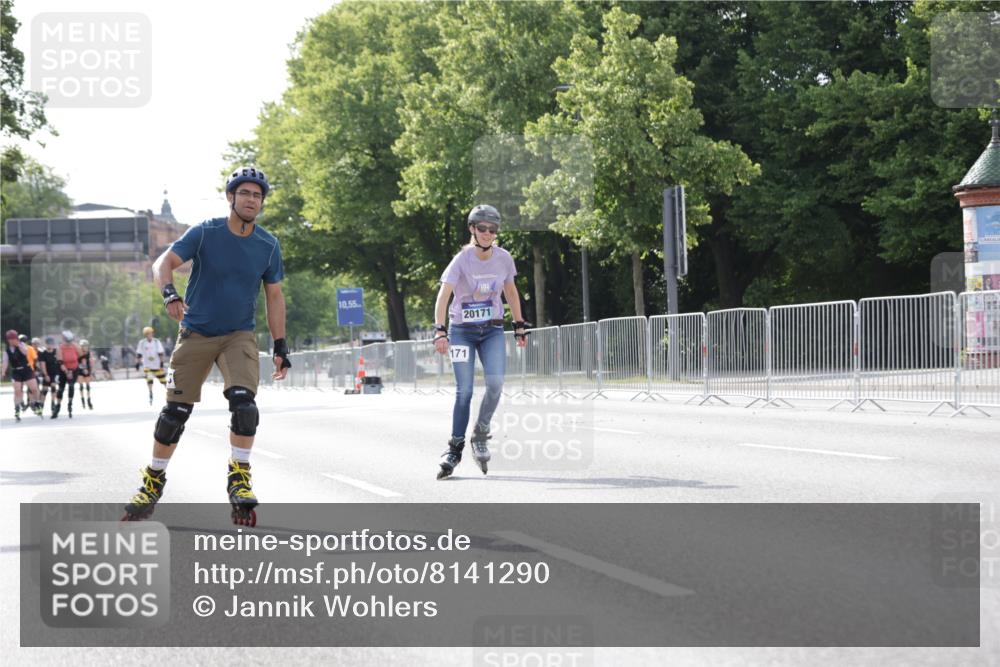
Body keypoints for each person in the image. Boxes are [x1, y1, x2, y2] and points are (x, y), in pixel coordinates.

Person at [122, 166, 290, 525]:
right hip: (196, 331)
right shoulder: (205, 232)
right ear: (231, 197)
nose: (251, 200)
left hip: (238, 334)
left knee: (245, 406)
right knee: (174, 415)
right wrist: (170, 294)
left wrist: (281, 345)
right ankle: (152, 481)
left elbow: (274, 296)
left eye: (257, 195)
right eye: (244, 193)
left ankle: (239, 478)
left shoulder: (268, 245)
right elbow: (162, 263)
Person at [432, 204, 529, 479]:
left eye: (493, 229)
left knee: (496, 385)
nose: (488, 233)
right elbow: (444, 296)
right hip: (462, 331)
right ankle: (455, 448)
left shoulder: (504, 258)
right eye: (483, 228)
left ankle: (481, 434)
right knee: (465, 391)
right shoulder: (461, 260)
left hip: (492, 330)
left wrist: (519, 325)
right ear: (473, 229)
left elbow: (510, 291)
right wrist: (441, 330)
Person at [2, 330, 43, 420]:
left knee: (34, 389)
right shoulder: (7, 350)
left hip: (27, 370)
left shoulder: (22, 345)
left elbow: (26, 353)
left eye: (14, 339)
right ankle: (17, 409)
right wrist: (3, 372)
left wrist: (18, 345)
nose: (12, 341)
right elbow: (5, 362)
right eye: (10, 339)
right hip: (16, 371)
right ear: (8, 340)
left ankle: (36, 403)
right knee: (17, 391)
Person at [136, 326, 167, 404]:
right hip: (147, 366)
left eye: (151, 333)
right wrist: (137, 363)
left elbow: (161, 353)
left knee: (163, 381)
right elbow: (139, 354)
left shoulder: (156, 342)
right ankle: (150, 393)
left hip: (157, 366)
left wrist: (161, 363)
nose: (150, 335)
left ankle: (170, 394)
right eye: (148, 334)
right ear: (145, 335)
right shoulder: (142, 343)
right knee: (149, 380)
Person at [54, 330, 82, 419]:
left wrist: (77, 369)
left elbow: (81, 356)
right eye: (67, 341)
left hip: (74, 369)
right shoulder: (60, 348)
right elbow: (60, 362)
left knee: (71, 386)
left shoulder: (75, 346)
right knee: (61, 389)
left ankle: (70, 404)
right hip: (63, 370)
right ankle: (57, 406)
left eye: (70, 341)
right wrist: (67, 372)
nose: (68, 343)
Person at [36, 337, 60, 417]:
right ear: (46, 344)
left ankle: (53, 405)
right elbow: (43, 365)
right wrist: (45, 375)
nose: (50, 345)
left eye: (51, 343)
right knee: (45, 390)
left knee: (53, 388)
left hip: (55, 373)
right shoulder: (43, 353)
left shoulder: (56, 352)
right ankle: (41, 406)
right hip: (47, 372)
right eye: (48, 343)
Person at [77, 339, 94, 409]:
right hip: (80, 371)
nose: (85, 347)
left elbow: (91, 362)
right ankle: (82, 399)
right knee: (81, 386)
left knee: (88, 386)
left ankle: (89, 400)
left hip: (87, 370)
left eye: (86, 346)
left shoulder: (89, 353)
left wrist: (91, 372)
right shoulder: (78, 353)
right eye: (83, 346)